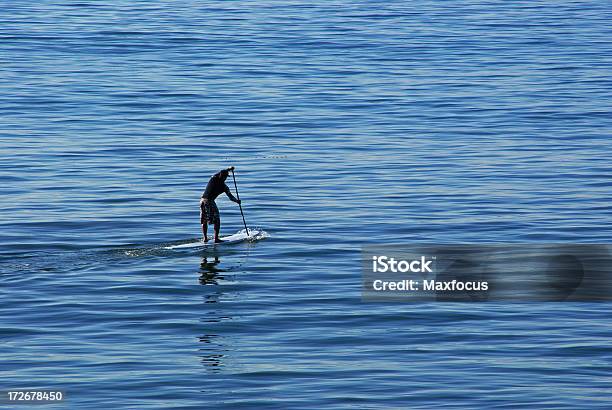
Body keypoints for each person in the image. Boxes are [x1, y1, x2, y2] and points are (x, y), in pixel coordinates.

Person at [200, 167, 241, 242]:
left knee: (204, 219)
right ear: (224, 177)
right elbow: (231, 197)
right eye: (225, 177)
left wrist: (228, 169)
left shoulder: (214, 178)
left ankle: (205, 238)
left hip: (202, 201)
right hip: (209, 201)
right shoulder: (223, 186)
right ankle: (216, 239)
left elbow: (231, 197)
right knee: (217, 220)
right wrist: (237, 201)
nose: (225, 178)